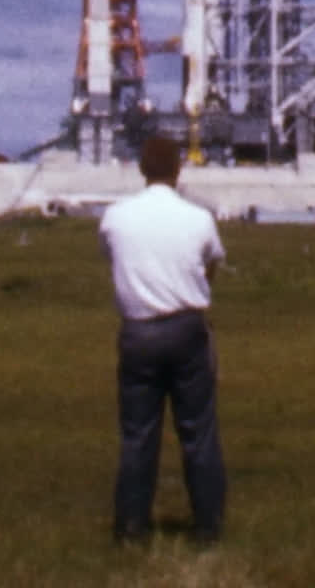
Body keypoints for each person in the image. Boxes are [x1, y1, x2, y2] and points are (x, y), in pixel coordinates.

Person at [98, 133, 228, 546]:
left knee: (138, 434)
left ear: (141, 169)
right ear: (178, 169)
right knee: (197, 431)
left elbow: (113, 257)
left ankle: (131, 529)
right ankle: (207, 527)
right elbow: (212, 264)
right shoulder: (199, 218)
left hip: (138, 332)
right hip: (187, 330)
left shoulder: (115, 217)